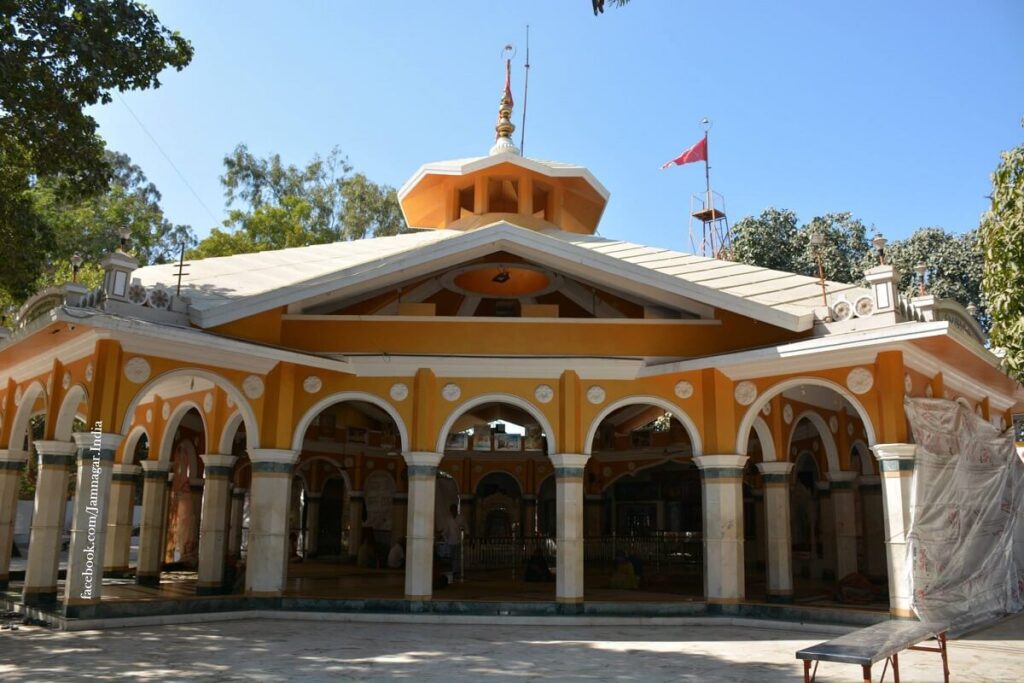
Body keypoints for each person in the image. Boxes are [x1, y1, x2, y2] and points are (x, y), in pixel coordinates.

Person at [442, 503, 466, 581]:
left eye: (454, 509)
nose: (453, 511)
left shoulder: (460, 518)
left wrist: (466, 533)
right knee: (452, 557)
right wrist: (444, 537)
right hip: (451, 541)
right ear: (450, 510)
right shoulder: (448, 519)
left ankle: (456, 571)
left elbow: (465, 526)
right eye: (452, 509)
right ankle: (453, 571)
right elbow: (446, 530)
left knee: (457, 557)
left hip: (459, 540)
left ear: (456, 509)